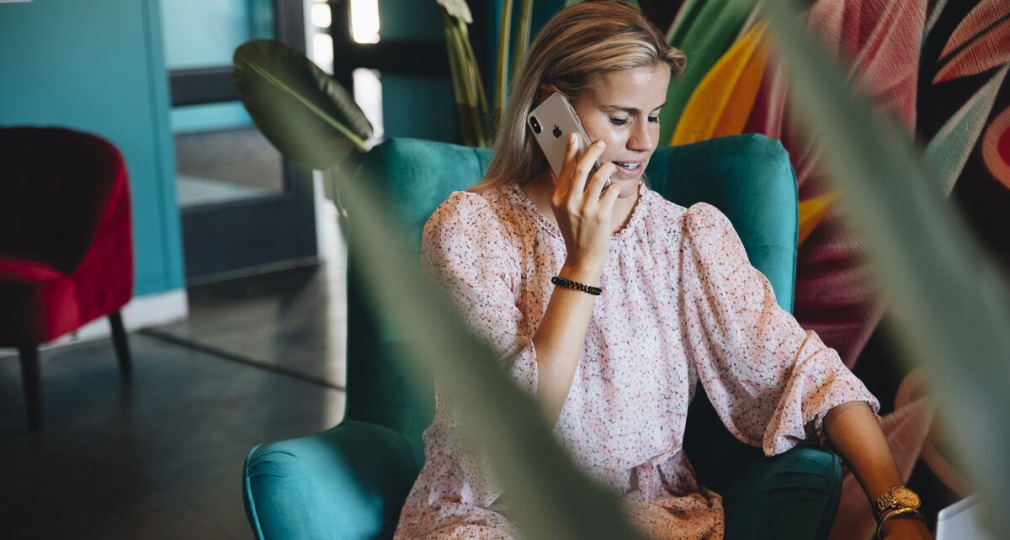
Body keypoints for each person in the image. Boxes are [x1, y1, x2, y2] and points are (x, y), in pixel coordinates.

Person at [393, 1, 932, 538]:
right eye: (621, 117)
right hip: (490, 517)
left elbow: (809, 375)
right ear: (551, 112)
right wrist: (584, 261)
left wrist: (897, 509)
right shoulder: (470, 232)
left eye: (654, 115)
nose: (644, 141)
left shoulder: (685, 240)